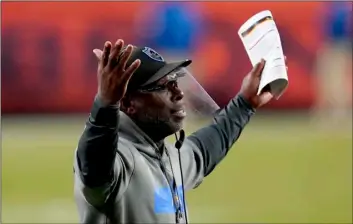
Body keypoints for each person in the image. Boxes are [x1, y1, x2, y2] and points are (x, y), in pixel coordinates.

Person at [73, 39, 280, 224]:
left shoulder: (165, 156)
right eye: (163, 87)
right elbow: (94, 171)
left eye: (175, 82)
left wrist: (244, 103)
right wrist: (106, 104)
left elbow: (202, 152)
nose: (179, 93)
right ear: (128, 103)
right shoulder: (121, 159)